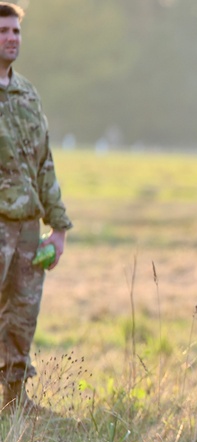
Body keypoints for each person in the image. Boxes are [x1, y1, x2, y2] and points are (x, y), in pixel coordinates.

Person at [0, 2, 73, 414]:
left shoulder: (27, 93)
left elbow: (44, 162)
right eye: (3, 31)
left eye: (16, 31)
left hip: (27, 229)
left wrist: (58, 227)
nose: (11, 38)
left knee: (22, 318)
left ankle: (13, 402)